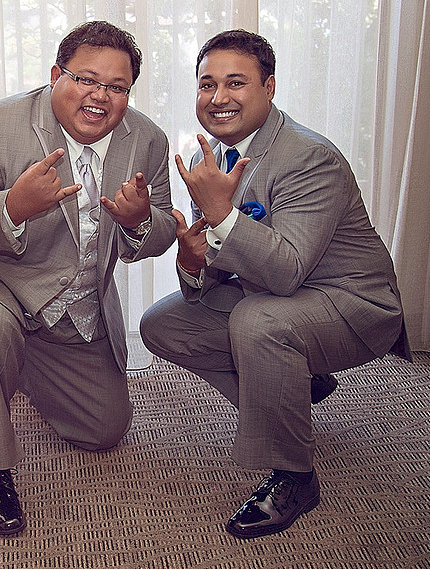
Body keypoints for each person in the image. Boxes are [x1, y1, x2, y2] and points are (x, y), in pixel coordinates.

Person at [140, 30, 411, 539]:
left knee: (258, 321)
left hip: (351, 301)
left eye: (235, 83)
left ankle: (294, 476)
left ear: (269, 87)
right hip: (273, 295)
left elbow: (287, 271)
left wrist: (220, 213)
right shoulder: (210, 159)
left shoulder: (309, 157)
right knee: (163, 324)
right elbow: (216, 267)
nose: (218, 97)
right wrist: (192, 261)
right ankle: (297, 387)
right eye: (207, 84)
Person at [0, 21, 177, 536]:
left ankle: (19, 365)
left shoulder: (147, 140)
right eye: (86, 79)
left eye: (117, 87)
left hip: (73, 305)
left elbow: (165, 227)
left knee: (105, 430)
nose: (100, 96)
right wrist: (12, 207)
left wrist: (140, 222)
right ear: (57, 75)